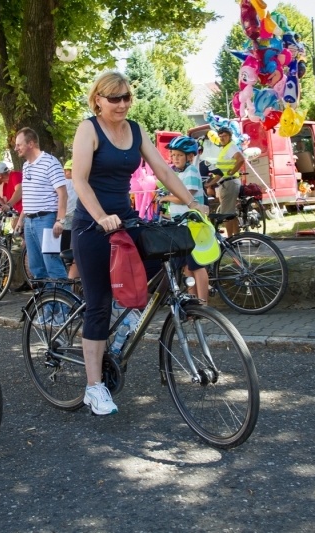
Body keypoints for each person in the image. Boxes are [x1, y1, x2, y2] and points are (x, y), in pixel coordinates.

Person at [71, 71, 209, 416]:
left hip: (126, 221)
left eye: (126, 97)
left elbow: (163, 170)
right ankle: (93, 387)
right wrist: (101, 216)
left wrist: (191, 204)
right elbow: (79, 179)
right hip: (93, 226)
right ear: (98, 100)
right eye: (114, 98)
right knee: (99, 303)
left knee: (169, 255)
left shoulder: (135, 130)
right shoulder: (89, 129)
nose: (121, 104)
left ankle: (125, 313)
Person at [13, 127, 68, 288]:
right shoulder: (26, 166)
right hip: (30, 222)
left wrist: (60, 220)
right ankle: (47, 308)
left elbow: (63, 194)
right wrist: (21, 220)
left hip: (46, 220)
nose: (16, 148)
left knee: (52, 264)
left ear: (30, 143)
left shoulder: (50, 162)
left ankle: (64, 309)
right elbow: (29, 196)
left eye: (19, 144)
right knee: (36, 267)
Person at [160, 136, 210, 305]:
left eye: (179, 155)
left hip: (193, 226)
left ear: (190, 156)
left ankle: (203, 303)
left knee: (197, 266)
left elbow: (184, 197)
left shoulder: (191, 172)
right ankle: (192, 302)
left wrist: (165, 197)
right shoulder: (179, 173)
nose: (175, 159)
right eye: (173, 155)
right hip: (183, 226)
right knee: (187, 268)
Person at [0, 161, 27, 291]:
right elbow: (3, 205)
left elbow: (20, 190)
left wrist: (10, 204)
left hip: (25, 213)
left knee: (19, 248)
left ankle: (23, 280)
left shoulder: (15, 175)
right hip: (16, 217)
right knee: (15, 247)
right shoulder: (4, 185)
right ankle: (19, 280)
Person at [205, 127, 244, 237]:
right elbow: (221, 171)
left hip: (229, 183)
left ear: (230, 137)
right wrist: (211, 183)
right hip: (227, 182)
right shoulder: (225, 148)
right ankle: (236, 237)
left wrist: (233, 171)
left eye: (224, 136)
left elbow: (241, 159)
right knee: (231, 212)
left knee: (226, 214)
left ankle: (230, 239)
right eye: (220, 136)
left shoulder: (231, 147)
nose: (222, 138)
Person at [62, 159, 78, 279]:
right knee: (73, 248)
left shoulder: (63, 183)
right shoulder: (80, 182)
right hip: (76, 218)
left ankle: (67, 273)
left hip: (65, 218)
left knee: (64, 248)